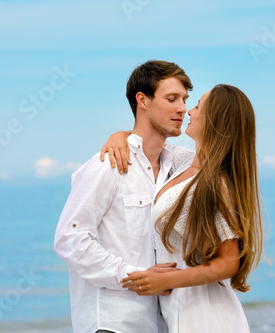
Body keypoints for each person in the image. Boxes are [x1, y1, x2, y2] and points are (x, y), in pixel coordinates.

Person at [53, 60, 195, 333]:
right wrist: (134, 277)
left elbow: (214, 158)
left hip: (160, 323)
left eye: (185, 100)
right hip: (112, 323)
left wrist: (122, 133)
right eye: (172, 98)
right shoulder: (109, 164)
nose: (182, 108)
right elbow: (69, 239)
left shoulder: (176, 165)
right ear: (142, 100)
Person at [108, 84, 264, 332]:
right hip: (181, 312)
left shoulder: (216, 185)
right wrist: (119, 136)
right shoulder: (182, 163)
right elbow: (145, 141)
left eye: (198, 105)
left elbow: (228, 263)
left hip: (205, 316)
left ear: (215, 118)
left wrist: (166, 279)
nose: (188, 111)